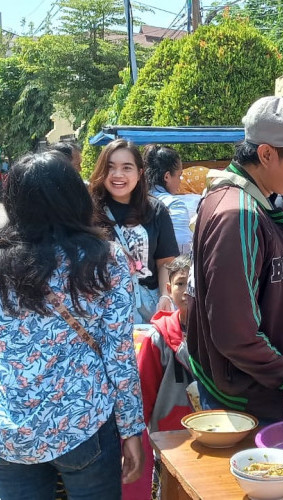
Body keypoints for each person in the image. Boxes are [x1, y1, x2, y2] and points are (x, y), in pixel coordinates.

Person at [187, 96, 283, 423]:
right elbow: (235, 332)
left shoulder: (255, 203)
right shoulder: (238, 213)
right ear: (267, 154)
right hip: (243, 401)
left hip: (256, 390)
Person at [0, 151, 144, 499]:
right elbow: (119, 355)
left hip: (10, 432)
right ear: (74, 197)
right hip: (84, 423)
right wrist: (132, 430)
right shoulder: (104, 260)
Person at [90, 139, 179, 324]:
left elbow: (165, 262)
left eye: (127, 168)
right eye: (110, 167)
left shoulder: (156, 210)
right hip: (106, 309)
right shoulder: (89, 212)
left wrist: (165, 295)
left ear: (140, 173)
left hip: (149, 306)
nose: (118, 174)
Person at [137, 254, 192, 500]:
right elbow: (144, 390)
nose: (187, 290)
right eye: (181, 283)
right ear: (169, 289)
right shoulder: (157, 338)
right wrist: (138, 436)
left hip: (214, 435)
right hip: (170, 438)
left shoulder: (220, 334)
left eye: (193, 283)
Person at [144, 145, 192, 253]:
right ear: (167, 176)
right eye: (179, 175)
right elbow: (182, 249)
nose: (180, 181)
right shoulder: (175, 205)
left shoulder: (136, 199)